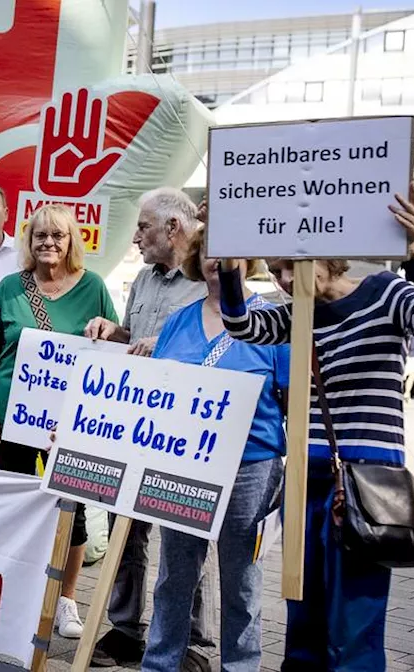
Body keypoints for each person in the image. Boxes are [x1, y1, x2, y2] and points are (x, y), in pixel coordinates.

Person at [218, 187, 414, 671]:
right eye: (276, 269)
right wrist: (229, 265)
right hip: (307, 476)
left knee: (354, 618)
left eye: (292, 266)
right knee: (302, 608)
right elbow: (240, 325)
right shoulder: (294, 314)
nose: (286, 280)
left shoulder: (385, 293)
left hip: (370, 477)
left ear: (326, 254)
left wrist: (413, 253)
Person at [141, 231, 288, 672]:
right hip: (183, 466)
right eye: (209, 250)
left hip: (251, 466)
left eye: (230, 249)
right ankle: (161, 663)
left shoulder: (275, 321)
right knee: (174, 575)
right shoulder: (178, 321)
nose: (218, 259)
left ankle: (240, 666)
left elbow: (292, 398)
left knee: (242, 581)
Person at [82, 188, 212, 668]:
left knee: (187, 534)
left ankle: (191, 641)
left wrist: (171, 343)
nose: (135, 237)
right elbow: (133, 339)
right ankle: (125, 628)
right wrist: (110, 331)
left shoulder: (208, 280)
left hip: (182, 432)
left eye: (142, 228)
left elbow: (225, 346)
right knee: (125, 529)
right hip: (134, 426)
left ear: (173, 229)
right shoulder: (143, 279)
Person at [0, 204, 119, 639]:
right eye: (40, 236)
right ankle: (14, 596)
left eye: (58, 235)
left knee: (71, 513)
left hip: (70, 423)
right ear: (29, 242)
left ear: (72, 240)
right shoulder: (10, 287)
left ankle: (66, 601)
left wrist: (111, 329)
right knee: (14, 509)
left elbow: (119, 338)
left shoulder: (93, 286)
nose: (49, 243)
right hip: (12, 420)